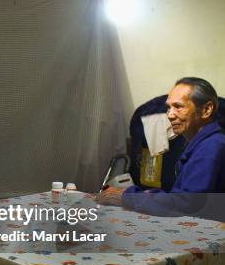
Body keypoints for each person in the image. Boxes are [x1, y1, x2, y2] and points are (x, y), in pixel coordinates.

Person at [96, 77, 225, 213]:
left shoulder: (211, 147)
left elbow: (184, 204)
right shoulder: (202, 142)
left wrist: (125, 196)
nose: (170, 115)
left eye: (178, 106)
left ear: (206, 110)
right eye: (168, 107)